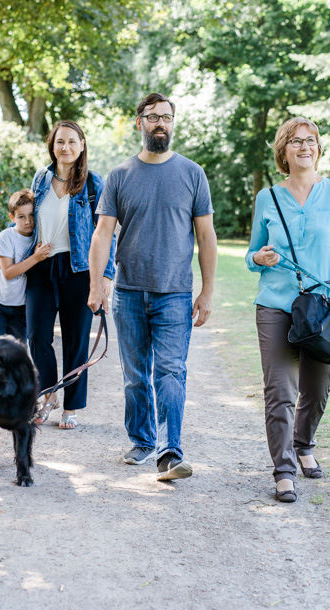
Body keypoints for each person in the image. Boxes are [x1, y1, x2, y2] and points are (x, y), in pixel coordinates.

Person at [88, 92, 217, 482]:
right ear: (139, 122)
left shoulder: (193, 174)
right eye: (153, 116)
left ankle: (170, 452)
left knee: (171, 372)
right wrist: (97, 285)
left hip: (175, 293)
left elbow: (207, 236)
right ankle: (142, 439)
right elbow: (101, 235)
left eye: (167, 117)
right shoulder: (120, 176)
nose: (161, 123)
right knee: (134, 375)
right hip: (128, 292)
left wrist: (207, 291)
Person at [246, 116, 330, 503]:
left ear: (319, 148)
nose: (305, 147)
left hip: (325, 306)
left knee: (318, 389)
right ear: (283, 151)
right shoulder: (268, 197)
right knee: (281, 391)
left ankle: (304, 443)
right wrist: (260, 257)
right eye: (296, 141)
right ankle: (284, 471)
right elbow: (253, 255)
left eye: (311, 140)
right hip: (277, 305)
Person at [26, 120, 114, 431]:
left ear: (82, 145)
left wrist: (105, 279)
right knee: (36, 337)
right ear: (52, 146)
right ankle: (48, 395)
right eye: (60, 142)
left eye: (72, 142)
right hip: (41, 267)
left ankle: (71, 408)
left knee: (76, 340)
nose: (65, 147)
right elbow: (25, 221)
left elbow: (108, 233)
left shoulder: (94, 184)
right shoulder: (40, 178)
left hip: (80, 270)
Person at [0, 190, 51, 342]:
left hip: (21, 308)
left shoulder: (39, 238)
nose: (28, 221)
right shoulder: (6, 236)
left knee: (17, 355)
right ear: (12, 218)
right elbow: (7, 272)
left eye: (32, 215)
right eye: (21, 217)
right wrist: (36, 258)